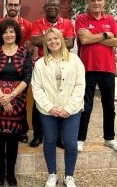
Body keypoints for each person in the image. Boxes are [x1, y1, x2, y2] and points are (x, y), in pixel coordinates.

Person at [31, 28, 85, 187]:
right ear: (45, 43)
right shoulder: (40, 63)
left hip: (72, 110)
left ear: (61, 40)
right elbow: (37, 88)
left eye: (56, 38)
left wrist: (69, 108)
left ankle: (69, 176)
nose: (53, 42)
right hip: (48, 111)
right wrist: (50, 107)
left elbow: (80, 85)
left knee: (70, 143)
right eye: (49, 40)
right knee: (49, 141)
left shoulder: (75, 60)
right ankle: (52, 174)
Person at [76, 0, 117, 152]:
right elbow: (84, 39)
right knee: (85, 107)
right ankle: (80, 139)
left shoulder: (109, 18)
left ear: (104, 1)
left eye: (99, 0)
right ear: (88, 3)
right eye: (92, 0)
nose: (96, 3)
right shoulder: (82, 18)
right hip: (87, 68)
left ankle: (109, 138)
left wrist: (94, 37)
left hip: (108, 69)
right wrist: (105, 35)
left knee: (109, 106)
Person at [0, 19, 32, 187]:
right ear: (1, 34)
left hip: (17, 101)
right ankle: (0, 173)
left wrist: (11, 96)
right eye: (5, 32)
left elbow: (27, 77)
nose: (8, 34)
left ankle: (11, 173)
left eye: (12, 31)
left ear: (17, 34)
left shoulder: (25, 53)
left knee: (13, 140)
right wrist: (2, 97)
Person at [30, 0, 75, 148]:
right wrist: (58, 39)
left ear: (59, 7)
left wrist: (47, 40)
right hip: (44, 66)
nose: (52, 7)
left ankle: (59, 137)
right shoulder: (37, 23)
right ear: (44, 7)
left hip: (63, 65)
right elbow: (34, 41)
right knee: (39, 101)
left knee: (61, 100)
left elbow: (71, 43)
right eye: (49, 4)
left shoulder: (68, 23)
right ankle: (38, 135)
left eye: (55, 5)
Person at [0, 0, 33, 143]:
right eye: (10, 5)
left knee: (21, 102)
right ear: (6, 6)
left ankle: (22, 130)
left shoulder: (27, 25)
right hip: (2, 68)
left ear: (20, 6)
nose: (13, 7)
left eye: (16, 5)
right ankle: (0, 130)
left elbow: (29, 46)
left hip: (20, 68)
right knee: (1, 101)